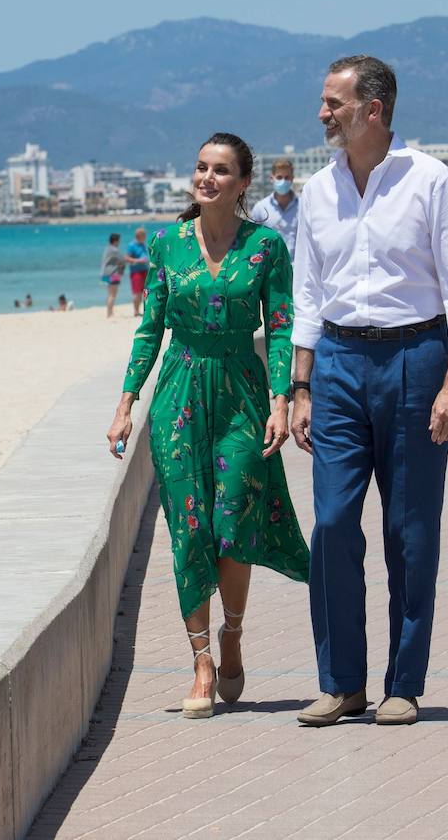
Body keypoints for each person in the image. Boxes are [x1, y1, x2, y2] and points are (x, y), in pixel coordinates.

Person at [291, 55, 448, 727]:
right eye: (324, 102)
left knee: (409, 529)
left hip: (415, 358)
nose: (323, 114)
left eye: (334, 103)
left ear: (374, 109)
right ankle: (341, 682)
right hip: (339, 363)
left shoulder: (432, 181)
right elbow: (308, 297)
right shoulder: (317, 192)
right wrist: (301, 385)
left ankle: (402, 682)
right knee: (334, 522)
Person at [106, 133, 309, 720]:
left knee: (232, 519)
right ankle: (199, 659)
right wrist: (126, 403)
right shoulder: (168, 244)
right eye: (200, 168)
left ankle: (234, 633)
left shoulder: (266, 247)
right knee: (189, 526)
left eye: (221, 170)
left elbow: (281, 327)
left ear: (244, 183)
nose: (207, 178)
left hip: (241, 392)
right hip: (180, 392)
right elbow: (150, 330)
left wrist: (281, 398)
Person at [250, 158, 301, 255]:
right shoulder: (260, 208)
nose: (283, 181)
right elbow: (253, 240)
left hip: (297, 266)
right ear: (271, 178)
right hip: (270, 267)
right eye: (279, 177)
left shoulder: (303, 206)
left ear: (292, 179)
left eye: (287, 177)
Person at [125, 227, 150, 317]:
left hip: (145, 270)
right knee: (137, 292)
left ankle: (144, 310)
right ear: (139, 235)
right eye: (144, 235)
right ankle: (136, 311)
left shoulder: (143, 244)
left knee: (146, 291)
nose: (145, 237)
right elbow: (126, 258)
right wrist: (138, 260)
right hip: (136, 271)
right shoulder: (132, 245)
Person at [101, 233, 126, 317]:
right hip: (113, 273)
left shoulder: (107, 249)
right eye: (119, 241)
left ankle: (109, 312)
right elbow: (123, 259)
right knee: (113, 294)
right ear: (115, 241)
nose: (119, 242)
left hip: (105, 273)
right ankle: (110, 313)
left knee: (110, 294)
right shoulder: (115, 250)